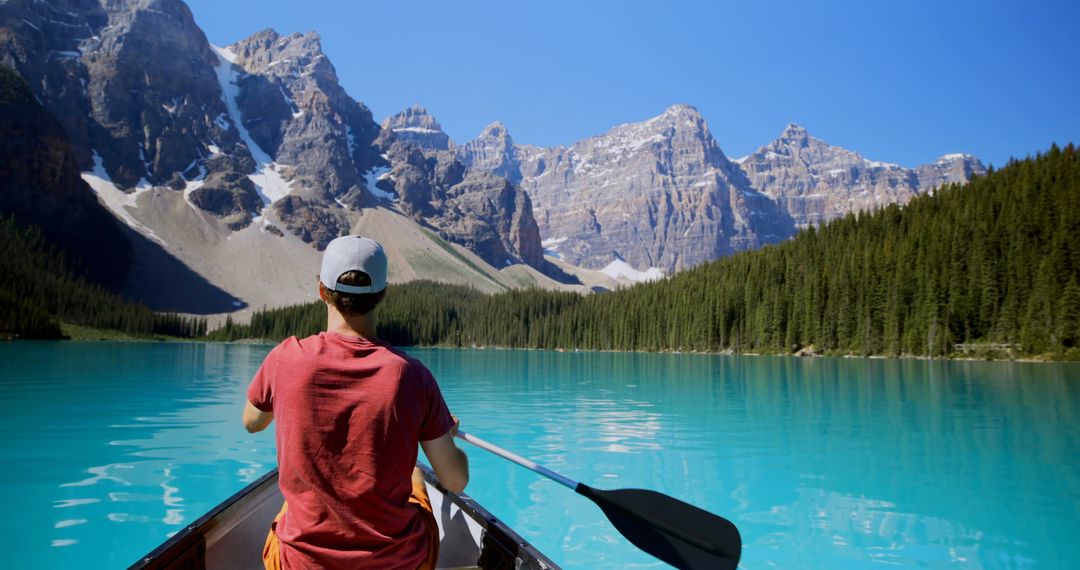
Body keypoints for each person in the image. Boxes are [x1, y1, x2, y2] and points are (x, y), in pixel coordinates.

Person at [242, 235, 469, 569]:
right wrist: (444, 438)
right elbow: (455, 481)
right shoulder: (412, 375)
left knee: (290, 507)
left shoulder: (285, 359)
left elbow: (252, 423)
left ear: (322, 290)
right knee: (415, 479)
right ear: (382, 295)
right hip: (397, 564)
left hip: (298, 565)